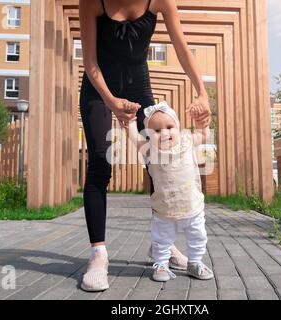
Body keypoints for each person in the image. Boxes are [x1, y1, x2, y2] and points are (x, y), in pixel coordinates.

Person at [79, 0, 212, 291]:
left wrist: (202, 93)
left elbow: (181, 47)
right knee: (101, 162)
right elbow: (89, 62)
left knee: (159, 160)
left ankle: (159, 245)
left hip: (138, 84)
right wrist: (111, 101)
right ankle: (98, 253)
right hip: (98, 87)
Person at [127, 101, 214, 282]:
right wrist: (130, 122)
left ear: (178, 126)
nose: (165, 133)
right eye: (157, 131)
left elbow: (203, 134)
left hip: (192, 205)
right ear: (149, 134)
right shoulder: (150, 150)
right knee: (161, 239)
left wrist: (200, 122)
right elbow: (135, 138)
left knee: (198, 236)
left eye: (169, 127)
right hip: (164, 209)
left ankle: (195, 262)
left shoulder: (187, 141)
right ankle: (160, 264)